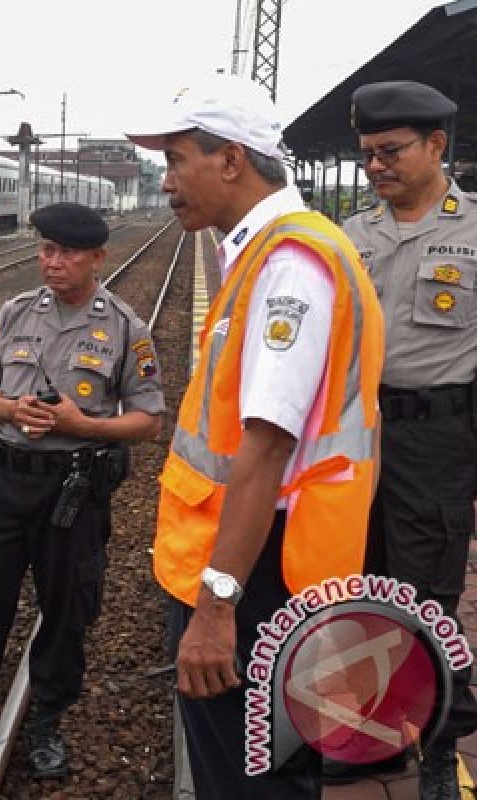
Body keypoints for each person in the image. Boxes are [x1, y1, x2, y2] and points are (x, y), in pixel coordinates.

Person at [127, 74, 384, 799]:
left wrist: (215, 611)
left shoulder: (289, 265)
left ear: (232, 160)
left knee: (246, 777)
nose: (169, 180)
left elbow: (264, 446)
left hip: (260, 572)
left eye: (178, 160)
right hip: (267, 565)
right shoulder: (275, 253)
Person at [0, 202, 164, 782]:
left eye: (68, 253)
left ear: (98, 258)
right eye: (46, 249)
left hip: (73, 490)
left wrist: (86, 428)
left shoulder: (125, 327)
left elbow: (148, 420)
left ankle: (47, 718)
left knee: (68, 605)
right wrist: (5, 408)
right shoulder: (15, 311)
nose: (53, 262)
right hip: (5, 480)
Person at [341, 80, 477, 799]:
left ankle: (435, 751)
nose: (374, 167)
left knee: (428, 600)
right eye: (366, 155)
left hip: (438, 438)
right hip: (357, 435)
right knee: (357, 588)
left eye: (389, 152)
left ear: (436, 146)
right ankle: (368, 736)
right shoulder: (349, 239)